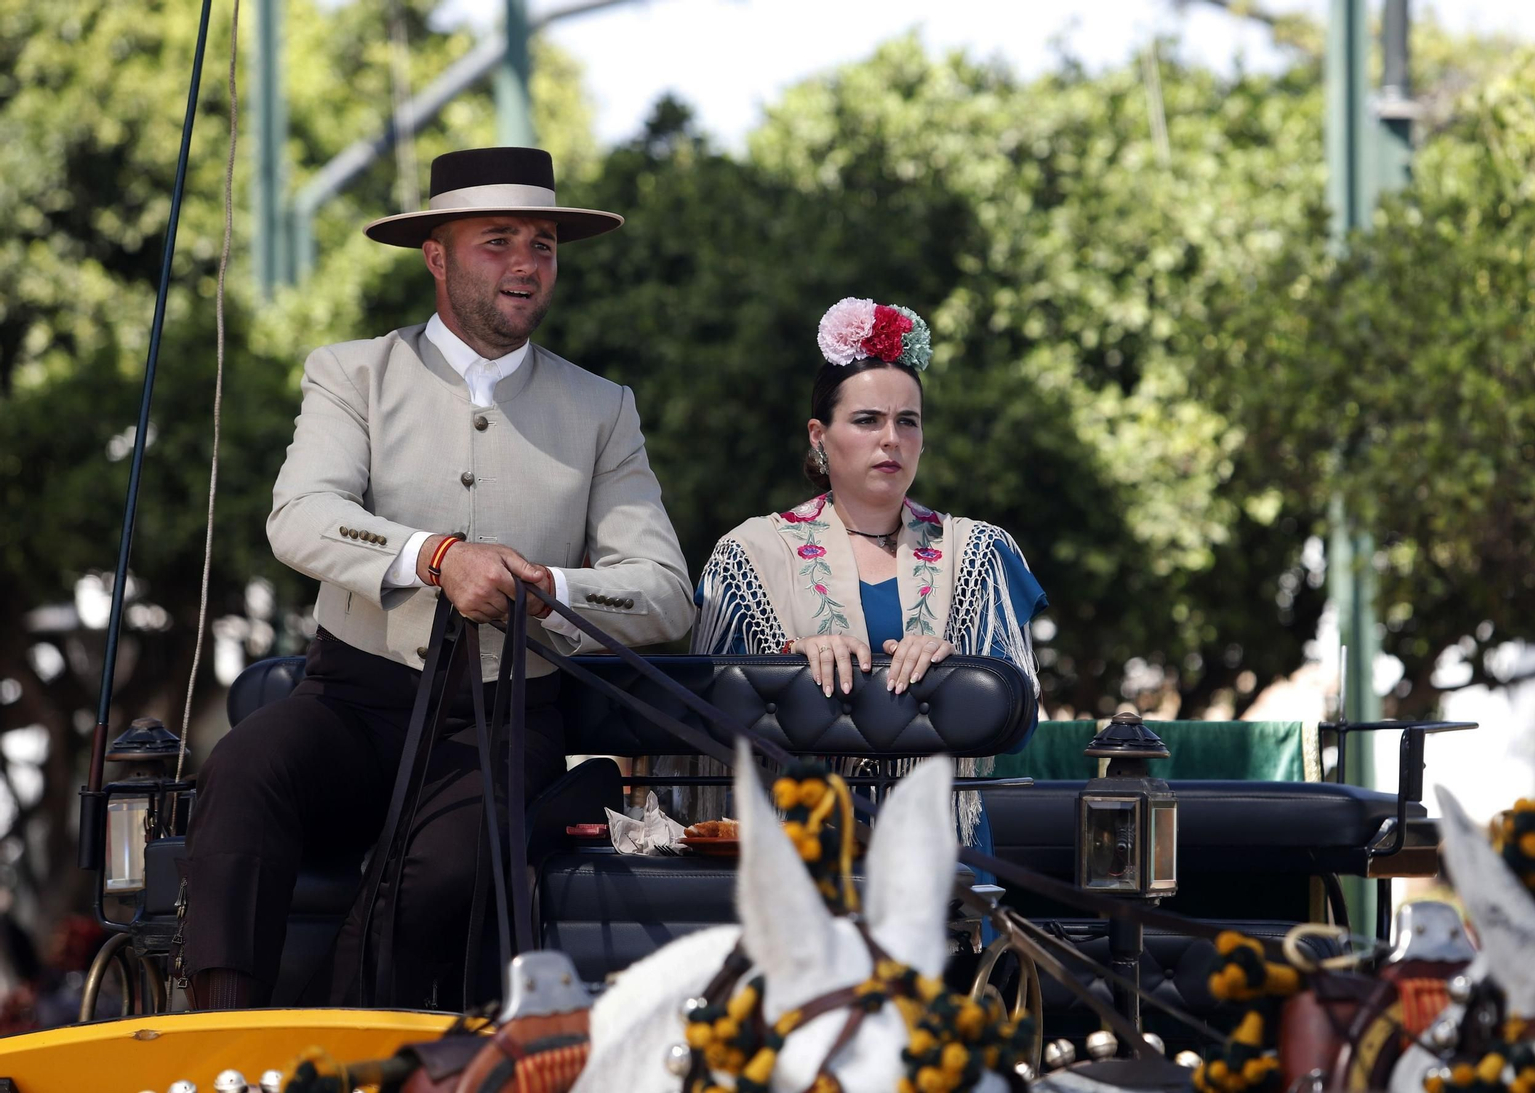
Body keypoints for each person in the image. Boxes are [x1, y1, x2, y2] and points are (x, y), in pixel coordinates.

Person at [178, 147, 695, 1010]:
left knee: (451, 870)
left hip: (504, 720)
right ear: (437, 255)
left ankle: (346, 1059)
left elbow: (665, 590)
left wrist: (553, 591)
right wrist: (437, 557)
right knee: (242, 769)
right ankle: (223, 1042)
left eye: (544, 244)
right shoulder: (351, 373)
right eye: (498, 241)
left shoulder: (603, 408)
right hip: (351, 701)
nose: (528, 264)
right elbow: (298, 513)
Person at [692, 297, 1047, 847]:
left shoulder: (978, 550)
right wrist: (787, 668)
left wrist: (958, 674)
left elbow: (1019, 725)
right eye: (867, 420)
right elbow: (707, 724)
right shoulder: (751, 554)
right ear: (818, 435)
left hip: (942, 856)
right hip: (801, 856)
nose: (891, 439)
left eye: (908, 421)